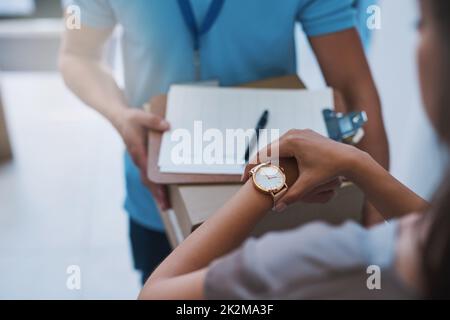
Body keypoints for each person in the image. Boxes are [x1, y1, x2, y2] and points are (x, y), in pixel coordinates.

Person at [59, 0, 389, 284]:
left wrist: (374, 228)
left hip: (279, 206)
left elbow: (354, 85)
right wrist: (120, 116)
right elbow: (77, 55)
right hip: (160, 198)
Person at [138, 0, 450, 299]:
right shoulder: (426, 248)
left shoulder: (316, 263)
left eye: (419, 24)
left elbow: (155, 296)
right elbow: (428, 228)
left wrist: (270, 179)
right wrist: (359, 164)